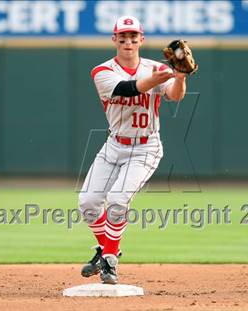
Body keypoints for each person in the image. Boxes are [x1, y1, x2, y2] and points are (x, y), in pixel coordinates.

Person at [78, 15, 187, 284]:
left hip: (146, 147)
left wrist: (181, 76)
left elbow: (174, 95)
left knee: (117, 199)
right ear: (114, 39)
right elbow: (129, 89)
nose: (128, 41)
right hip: (114, 144)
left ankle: (110, 261)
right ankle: (106, 250)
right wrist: (162, 76)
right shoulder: (102, 71)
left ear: (141, 39)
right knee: (88, 203)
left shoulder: (153, 67)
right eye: (123, 37)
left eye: (133, 37)